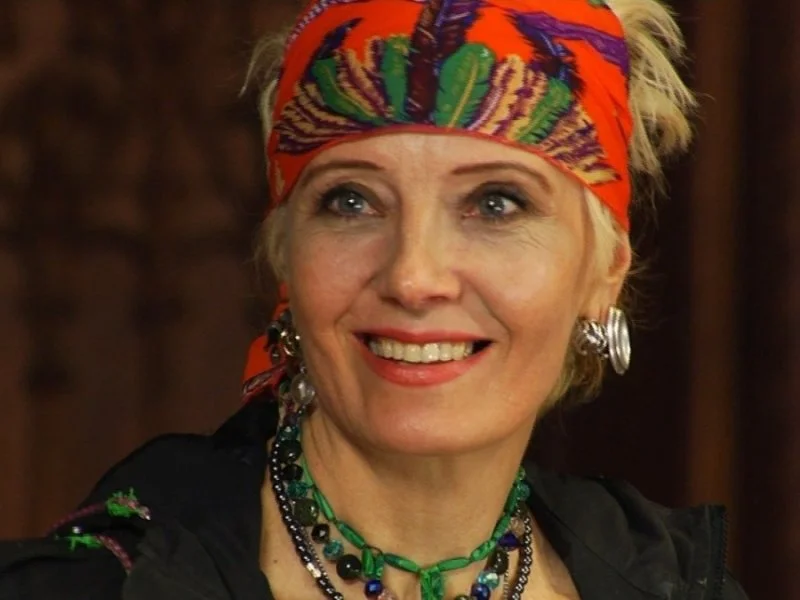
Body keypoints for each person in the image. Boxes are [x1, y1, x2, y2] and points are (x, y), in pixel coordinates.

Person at [0, 0, 749, 598]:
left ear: (604, 272)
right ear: (286, 256)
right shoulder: (102, 583)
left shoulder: (676, 583)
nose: (413, 277)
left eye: (497, 203)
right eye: (352, 201)